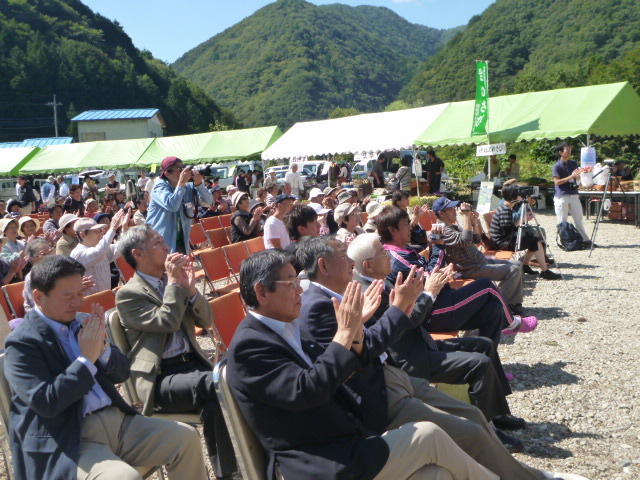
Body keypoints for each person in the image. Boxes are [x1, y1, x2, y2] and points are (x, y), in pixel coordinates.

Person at [228, 248, 500, 480]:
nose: (300, 288)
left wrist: (355, 331)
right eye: (290, 283)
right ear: (262, 292)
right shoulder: (250, 345)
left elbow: (337, 369)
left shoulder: (284, 325)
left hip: (345, 440)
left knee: (437, 474)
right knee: (430, 436)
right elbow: (308, 390)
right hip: (323, 461)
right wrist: (346, 334)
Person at [4, 255, 207, 480]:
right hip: (70, 438)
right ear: (38, 297)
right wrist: (85, 361)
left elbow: (122, 373)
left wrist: (103, 351)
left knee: (185, 439)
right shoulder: (23, 343)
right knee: (123, 477)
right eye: (68, 296)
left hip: (118, 421)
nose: (77, 302)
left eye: (80, 293)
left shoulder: (83, 322)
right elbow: (46, 402)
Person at [347, 233, 528, 451]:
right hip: (409, 360)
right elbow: (407, 322)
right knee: (479, 364)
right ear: (368, 265)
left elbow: (408, 311)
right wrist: (429, 293)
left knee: (484, 345)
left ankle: (497, 414)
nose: (388, 255)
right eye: (382, 253)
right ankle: (488, 432)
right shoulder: (370, 292)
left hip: (420, 344)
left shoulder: (379, 280)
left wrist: (429, 286)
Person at [116, 225, 237, 479]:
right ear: (138, 254)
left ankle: (236, 469)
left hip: (192, 364)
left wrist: (191, 291)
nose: (166, 246)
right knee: (217, 384)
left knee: (220, 395)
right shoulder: (128, 294)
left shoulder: (171, 282)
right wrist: (174, 285)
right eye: (157, 242)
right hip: (161, 376)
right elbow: (167, 322)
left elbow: (207, 320)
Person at [376, 206, 519, 342]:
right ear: (392, 230)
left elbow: (427, 271)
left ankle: (488, 356)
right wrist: (438, 246)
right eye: (406, 224)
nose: (410, 227)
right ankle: (511, 323)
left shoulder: (403, 250)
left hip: (440, 300)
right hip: (431, 312)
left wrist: (441, 266)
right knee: (486, 286)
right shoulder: (396, 257)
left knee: (493, 310)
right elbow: (429, 276)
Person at [431, 197, 541, 317]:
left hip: (478, 262)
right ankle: (505, 307)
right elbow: (465, 240)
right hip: (468, 269)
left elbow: (476, 240)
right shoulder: (442, 229)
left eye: (454, 208)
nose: (455, 211)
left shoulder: (452, 226)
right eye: (450, 209)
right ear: (441, 213)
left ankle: (509, 302)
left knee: (517, 265)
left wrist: (474, 223)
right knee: (513, 270)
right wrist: (466, 216)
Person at [490, 184, 562, 279]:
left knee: (534, 238)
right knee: (535, 240)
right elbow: (508, 231)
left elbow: (509, 229)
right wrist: (523, 222)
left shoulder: (506, 207)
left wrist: (523, 226)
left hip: (504, 240)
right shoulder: (505, 210)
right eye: (519, 194)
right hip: (503, 243)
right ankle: (544, 271)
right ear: (514, 197)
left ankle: (526, 266)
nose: (521, 196)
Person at [146, 156, 213, 254]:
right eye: (179, 169)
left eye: (183, 168)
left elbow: (209, 202)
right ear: (167, 173)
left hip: (181, 242)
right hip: (159, 244)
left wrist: (199, 184)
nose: (183, 172)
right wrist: (181, 184)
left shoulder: (187, 186)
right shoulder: (159, 187)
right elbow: (172, 205)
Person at [70, 210, 128, 295]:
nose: (100, 234)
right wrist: (113, 228)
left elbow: (121, 247)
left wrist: (124, 228)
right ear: (83, 235)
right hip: (90, 301)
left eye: (100, 230)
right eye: (96, 231)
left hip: (105, 296)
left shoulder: (99, 248)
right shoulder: (77, 253)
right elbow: (98, 252)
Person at [552, 142, 591, 243]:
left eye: (570, 150)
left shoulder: (573, 163)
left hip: (573, 194)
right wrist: (571, 177)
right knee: (562, 220)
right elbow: (556, 182)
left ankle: (585, 240)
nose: (569, 152)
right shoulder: (556, 166)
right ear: (561, 152)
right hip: (562, 195)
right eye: (567, 150)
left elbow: (577, 178)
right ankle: (564, 241)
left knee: (579, 219)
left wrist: (579, 177)